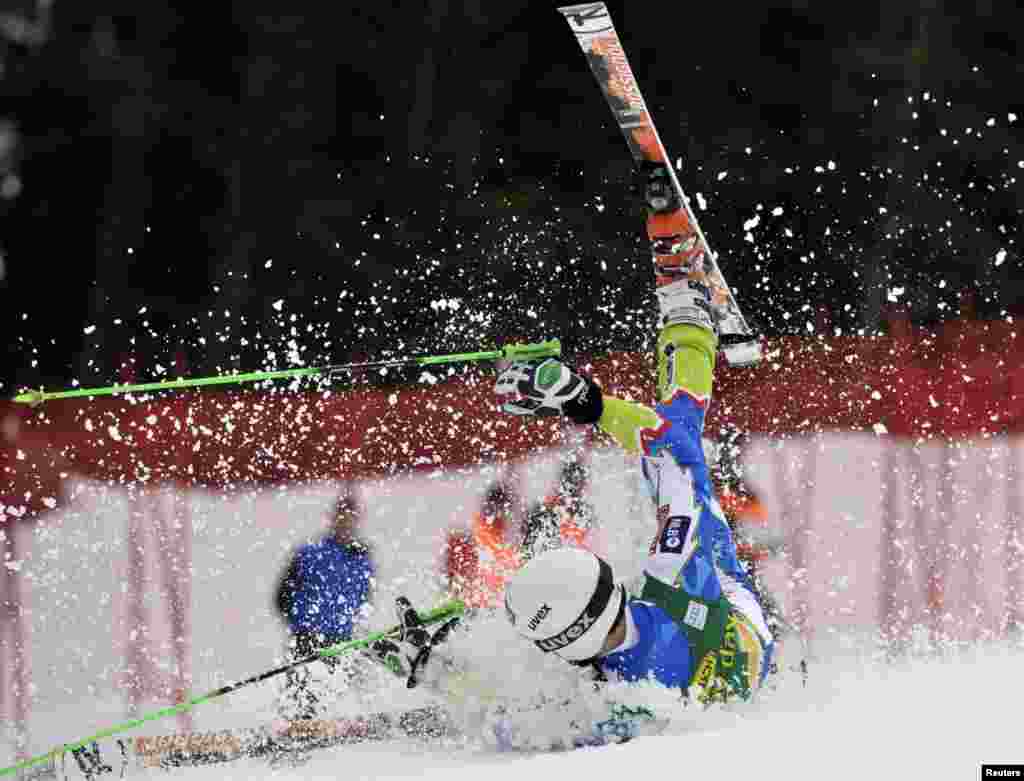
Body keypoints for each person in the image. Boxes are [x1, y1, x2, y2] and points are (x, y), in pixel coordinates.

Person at [494, 275, 775, 711]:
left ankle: (690, 328)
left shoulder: (605, 705)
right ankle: (688, 319)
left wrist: (438, 672)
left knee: (679, 432)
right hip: (736, 624)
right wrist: (582, 400)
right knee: (679, 440)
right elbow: (674, 452)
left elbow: (514, 726)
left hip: (718, 664)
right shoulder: (674, 578)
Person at [274, 485, 375, 720]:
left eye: (350, 519)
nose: (345, 524)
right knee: (301, 698)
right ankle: (294, 729)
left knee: (336, 701)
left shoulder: (361, 558)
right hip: (308, 638)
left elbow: (363, 599)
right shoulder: (310, 553)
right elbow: (282, 596)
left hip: (342, 641)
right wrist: (304, 622)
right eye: (342, 517)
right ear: (333, 519)